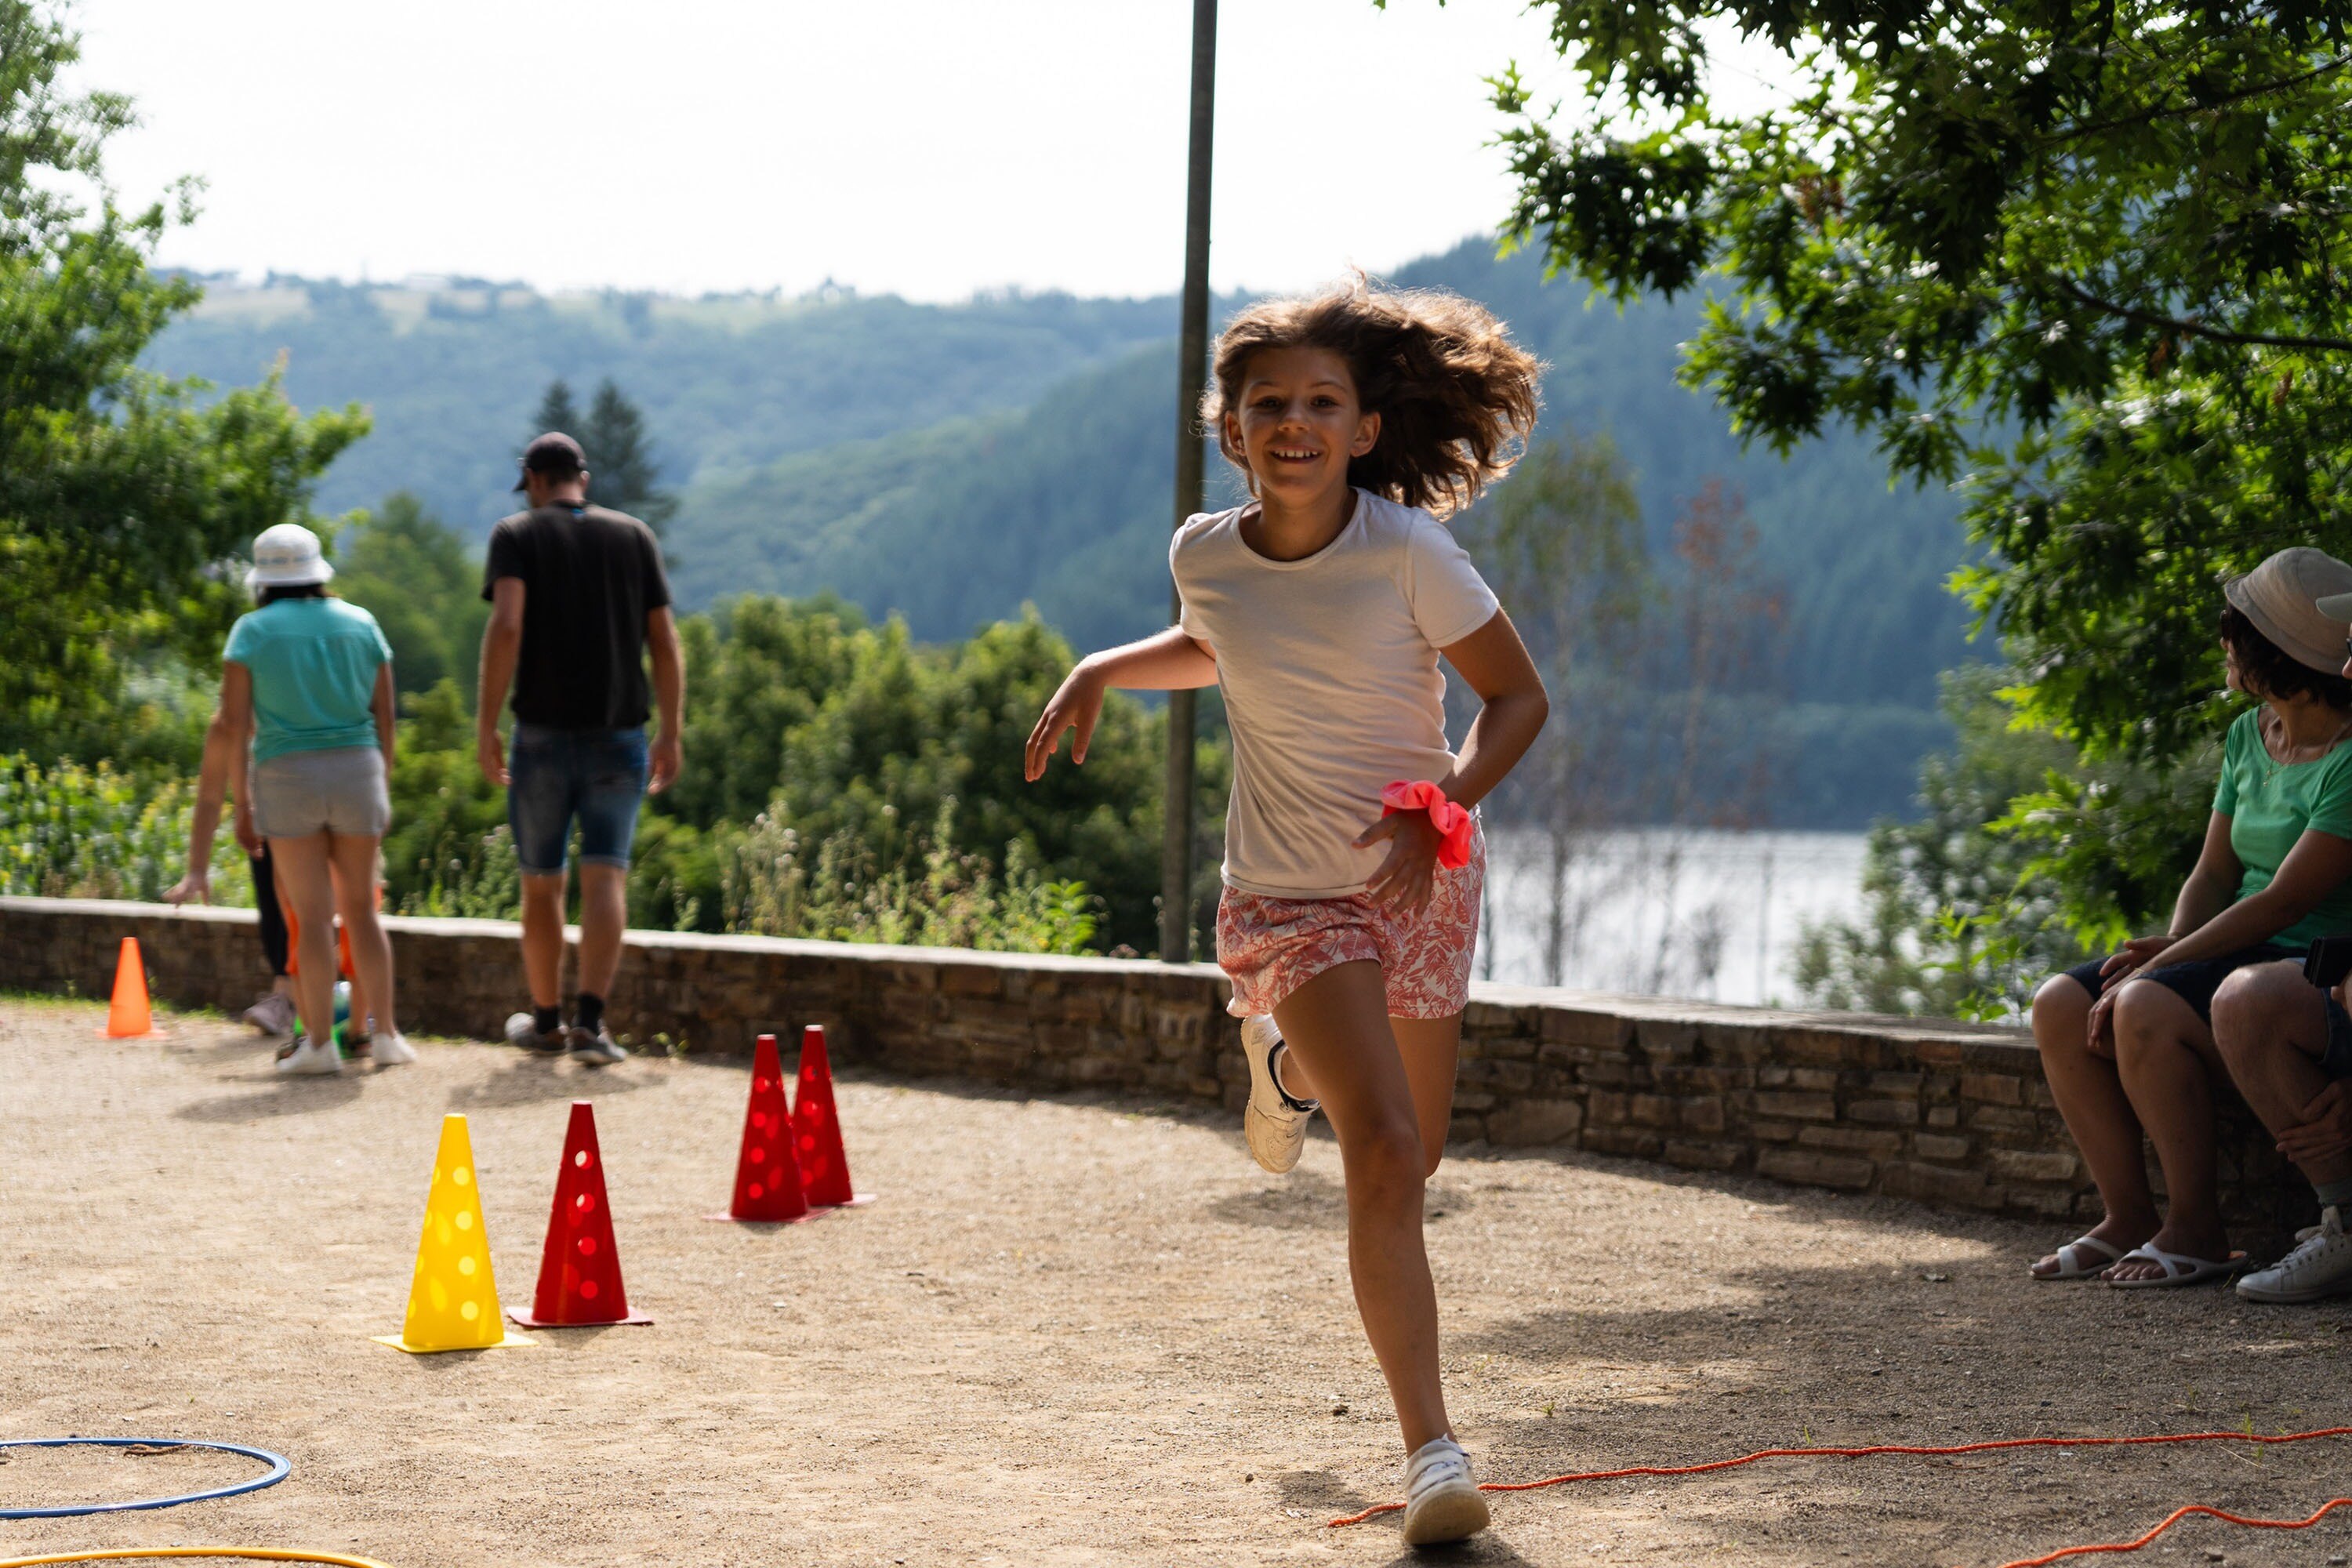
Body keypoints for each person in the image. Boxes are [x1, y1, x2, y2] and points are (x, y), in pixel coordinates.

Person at [1025, 280, 1549, 1545]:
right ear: (1232, 427)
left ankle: (1287, 1062)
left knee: (1412, 1156)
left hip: (1423, 875)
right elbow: (1222, 643)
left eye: (1322, 403)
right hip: (1290, 892)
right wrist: (1105, 665)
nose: (1296, 423)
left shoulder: (1411, 553)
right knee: (1378, 1144)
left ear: (1366, 428)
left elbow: (1517, 701)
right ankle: (1434, 1451)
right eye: (1270, 405)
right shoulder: (1204, 551)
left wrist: (1447, 803)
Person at [2028, 548, 2352, 1287]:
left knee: (2141, 1000)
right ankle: (2129, 1216)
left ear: (2276, 654)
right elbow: (2214, 873)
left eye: (2235, 631)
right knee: (2059, 1003)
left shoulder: (2348, 762)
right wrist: (2174, 942)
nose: (2224, 644)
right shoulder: (2251, 734)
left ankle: (2196, 1229)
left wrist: (2163, 964)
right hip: (2233, 946)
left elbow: (2283, 903)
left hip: (2300, 962)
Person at [172, 522, 416, 1073]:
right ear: (317, 570)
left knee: (310, 918)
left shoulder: (251, 632)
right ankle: (386, 1038)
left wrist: (245, 803)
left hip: (286, 777)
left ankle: (319, 1048)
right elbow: (384, 715)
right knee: (362, 913)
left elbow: (235, 726)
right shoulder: (362, 623)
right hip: (359, 771)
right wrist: (382, 779)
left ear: (262, 580)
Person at [476, 431, 684, 1064]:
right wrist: (671, 731)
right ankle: (591, 1025)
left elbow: (507, 625)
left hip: (539, 737)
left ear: (536, 481)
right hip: (619, 735)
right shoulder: (634, 537)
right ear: (582, 480)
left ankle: (543, 1023)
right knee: (606, 877)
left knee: (542, 885)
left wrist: (486, 723)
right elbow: (665, 643)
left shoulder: (516, 535)